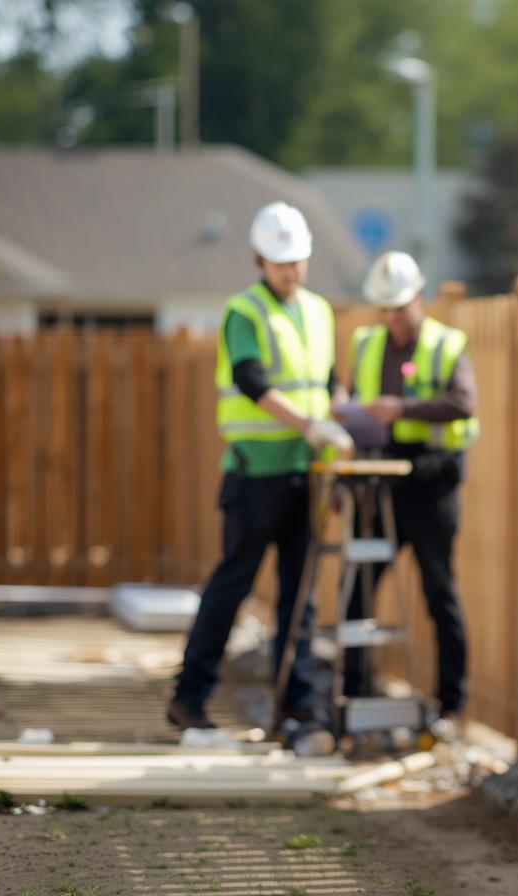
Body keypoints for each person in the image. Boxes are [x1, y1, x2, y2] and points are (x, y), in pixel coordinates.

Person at [168, 201, 355, 731]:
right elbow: (252, 382)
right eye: (280, 262)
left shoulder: (318, 311)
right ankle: (189, 698)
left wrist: (339, 410)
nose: (291, 271)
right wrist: (309, 425)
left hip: (305, 471)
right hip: (256, 472)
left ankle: (293, 705)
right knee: (233, 585)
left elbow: (327, 379)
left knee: (301, 595)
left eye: (298, 261)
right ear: (260, 260)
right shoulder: (243, 312)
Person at [341, 251, 478, 735]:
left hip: (431, 482)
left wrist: (401, 409)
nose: (392, 318)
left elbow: (463, 402)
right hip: (381, 484)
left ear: (418, 297)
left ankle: (450, 702)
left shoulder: (445, 344)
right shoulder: (367, 344)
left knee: (438, 590)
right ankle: (354, 689)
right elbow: (351, 402)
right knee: (355, 588)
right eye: (385, 309)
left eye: (399, 307)